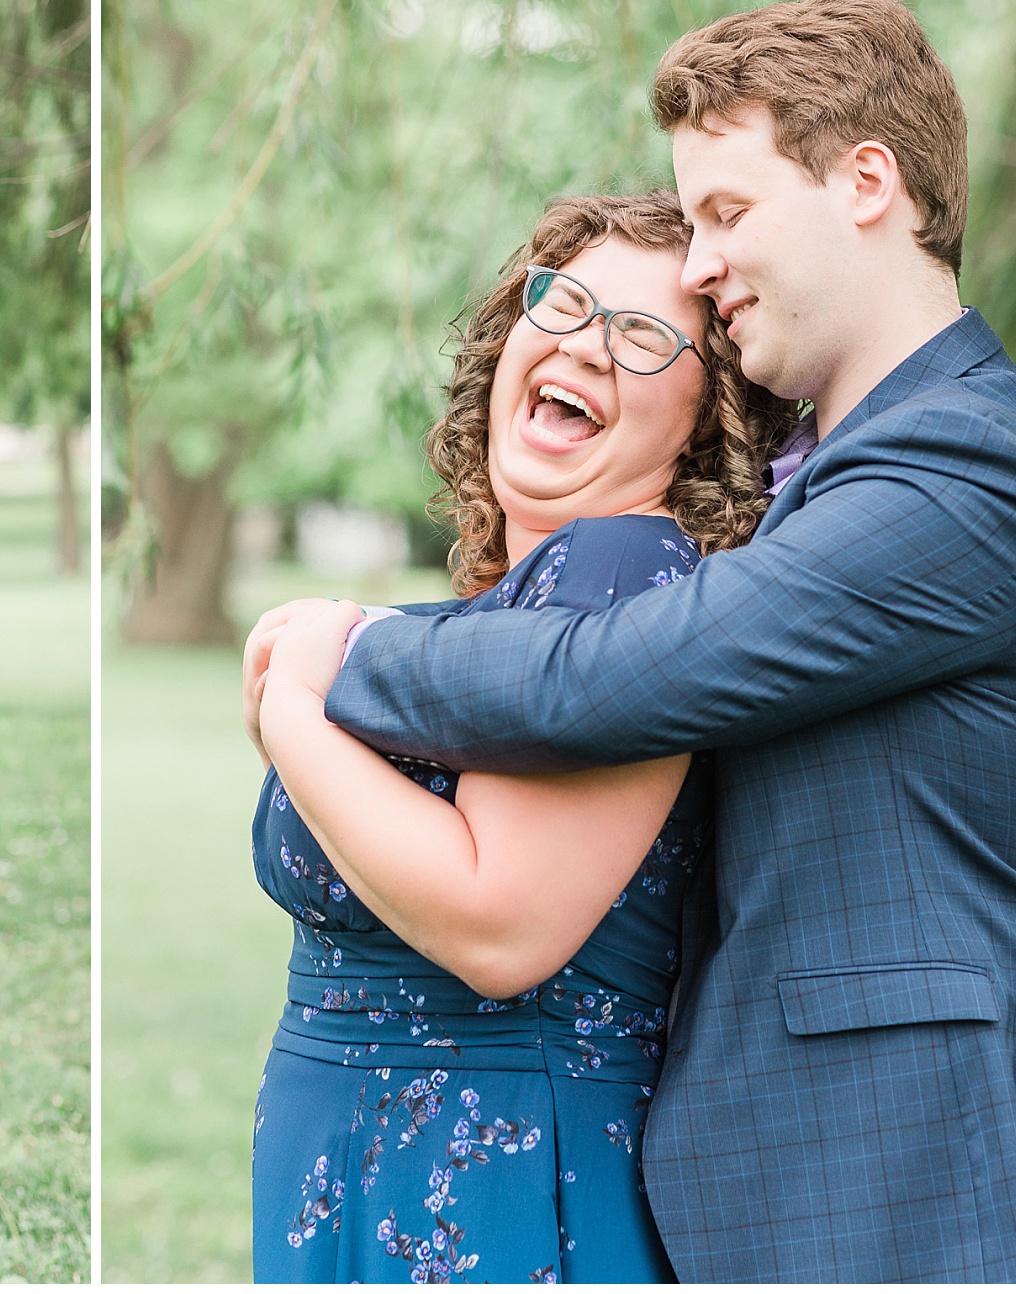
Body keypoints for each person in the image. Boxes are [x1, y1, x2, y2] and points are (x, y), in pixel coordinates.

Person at [261, 0, 1016, 1281]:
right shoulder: (846, 474)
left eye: (728, 212)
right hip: (777, 1177)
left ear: (866, 181)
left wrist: (343, 655)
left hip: (922, 1171)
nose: (705, 263)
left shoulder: (966, 460)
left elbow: (634, 667)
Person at [244, 192, 795, 1282]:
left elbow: (499, 927)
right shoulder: (481, 619)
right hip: (341, 1158)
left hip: (497, 1178)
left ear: (704, 414)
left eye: (640, 336)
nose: (585, 340)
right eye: (565, 300)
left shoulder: (623, 577)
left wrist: (288, 709)